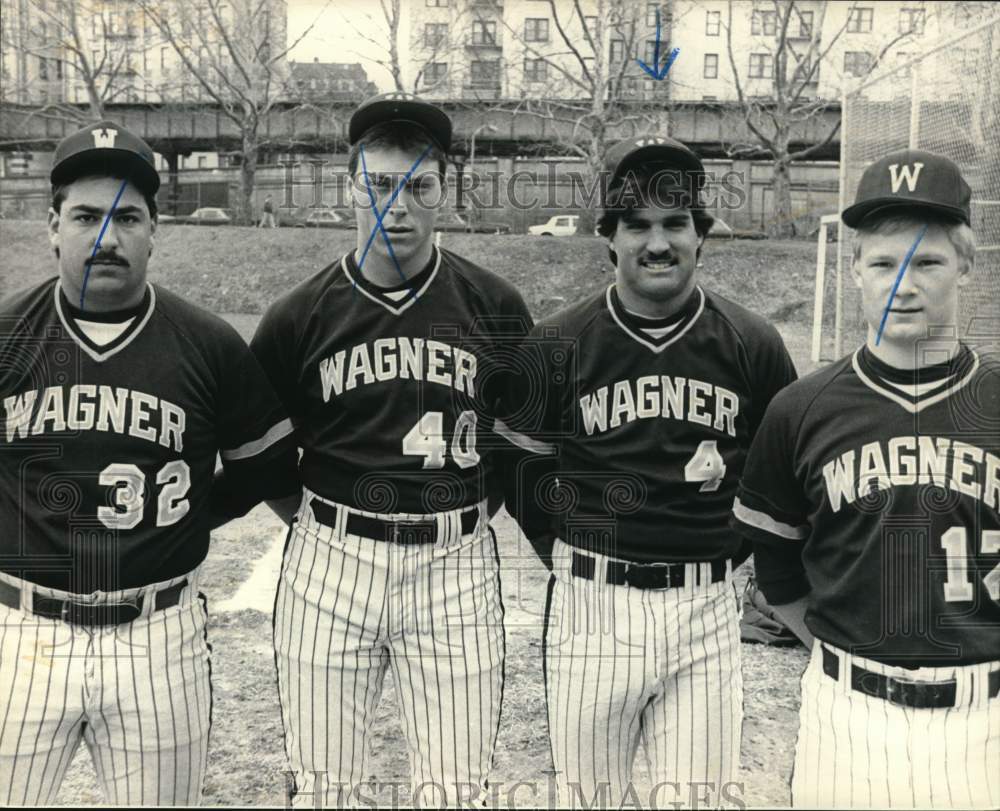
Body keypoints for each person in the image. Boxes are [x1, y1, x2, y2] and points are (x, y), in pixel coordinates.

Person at [0, 120, 298, 805]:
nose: (107, 236)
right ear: (52, 226)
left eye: (127, 216)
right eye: (86, 216)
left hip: (156, 636)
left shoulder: (209, 344)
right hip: (22, 632)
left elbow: (265, 467)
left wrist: (196, 510)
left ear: (154, 229)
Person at [249, 92, 533, 807]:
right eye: (378, 185)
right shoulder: (297, 316)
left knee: (456, 786)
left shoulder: (495, 306)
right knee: (324, 786)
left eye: (418, 186)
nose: (396, 206)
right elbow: (265, 461)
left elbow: (516, 443)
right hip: (331, 557)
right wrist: (323, 521)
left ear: (446, 192)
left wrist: (463, 515)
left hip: (456, 562)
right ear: (351, 188)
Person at [500, 135, 797, 807]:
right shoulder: (556, 341)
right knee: (587, 797)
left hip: (704, 604)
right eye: (637, 225)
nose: (656, 242)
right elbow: (519, 465)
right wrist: (562, 549)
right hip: (591, 605)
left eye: (674, 223)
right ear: (609, 238)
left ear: (702, 236)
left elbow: (778, 471)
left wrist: (727, 551)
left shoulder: (752, 343)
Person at [731, 149, 1000, 808]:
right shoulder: (802, 406)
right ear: (854, 271)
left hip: (986, 716)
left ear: (968, 265)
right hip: (847, 712)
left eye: (928, 261)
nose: (902, 284)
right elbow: (777, 563)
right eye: (883, 263)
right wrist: (837, 655)